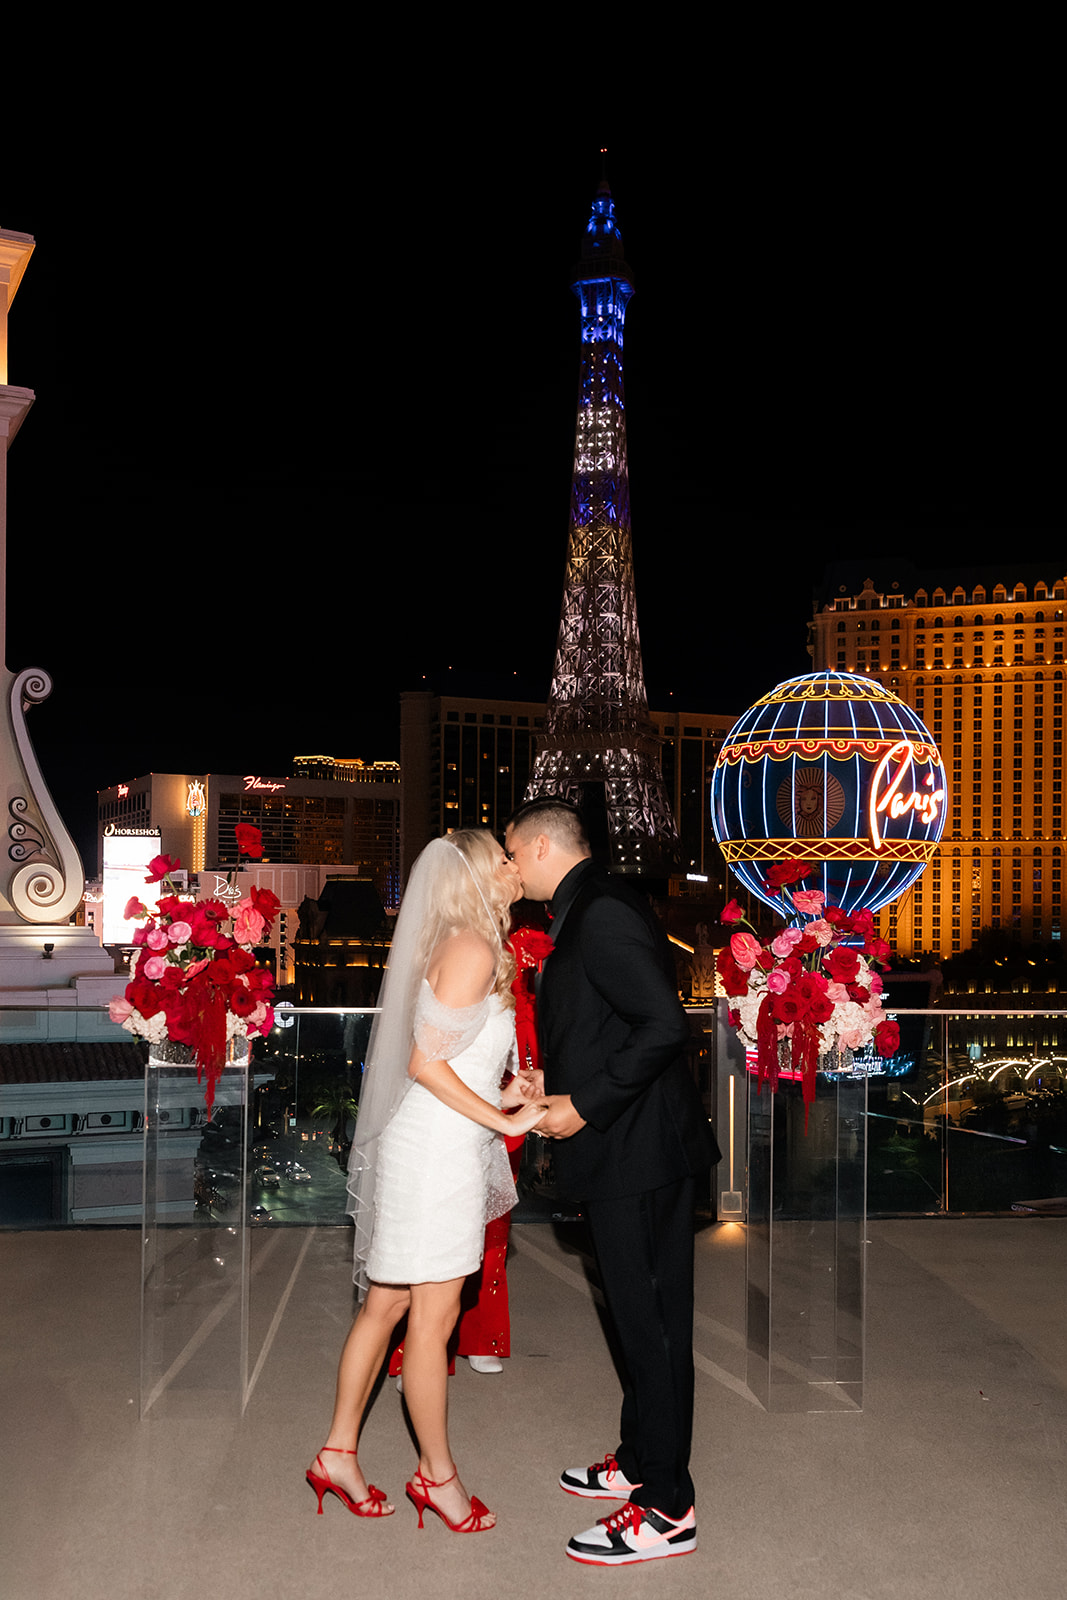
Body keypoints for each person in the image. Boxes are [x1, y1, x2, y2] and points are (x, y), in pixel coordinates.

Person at [306, 831, 547, 1532]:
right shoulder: (473, 948)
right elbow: (423, 1064)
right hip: (437, 1156)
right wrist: (504, 1123)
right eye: (501, 858)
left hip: (438, 1140)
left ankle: (338, 1455)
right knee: (432, 1324)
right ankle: (437, 1479)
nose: (512, 864)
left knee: (385, 1306)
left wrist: (507, 1090)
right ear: (475, 876)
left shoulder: (464, 942)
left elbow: (457, 1059)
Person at [504, 798, 718, 1566]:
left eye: (509, 852)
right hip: (630, 1150)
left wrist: (583, 1106)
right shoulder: (596, 903)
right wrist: (554, 1081)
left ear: (535, 850)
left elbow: (665, 1024)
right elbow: (607, 1023)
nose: (506, 866)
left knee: (651, 1325)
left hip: (638, 1155)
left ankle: (665, 1507)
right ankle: (638, 1459)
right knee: (635, 1319)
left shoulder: (596, 912)